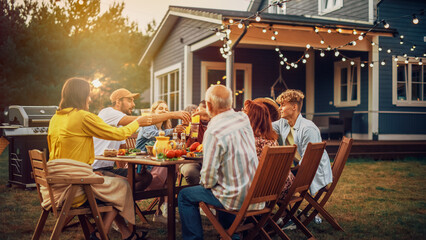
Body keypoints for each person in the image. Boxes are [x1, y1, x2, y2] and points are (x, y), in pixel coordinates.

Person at [46, 78, 148, 240]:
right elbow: (118, 134)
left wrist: (89, 174)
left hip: (55, 185)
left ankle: (127, 234)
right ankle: (100, 235)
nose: (90, 99)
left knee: (114, 187)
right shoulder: (83, 117)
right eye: (88, 95)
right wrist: (138, 122)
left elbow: (58, 155)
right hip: (73, 189)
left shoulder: (55, 119)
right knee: (122, 187)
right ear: (81, 96)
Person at [178, 85, 263, 240]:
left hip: (235, 198)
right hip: (255, 193)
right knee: (224, 184)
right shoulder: (244, 119)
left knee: (185, 195)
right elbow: (228, 115)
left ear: (208, 105)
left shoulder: (213, 131)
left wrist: (207, 183)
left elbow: (208, 179)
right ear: (230, 103)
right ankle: (231, 234)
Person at [92, 88, 190, 191]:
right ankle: (121, 200)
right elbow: (144, 121)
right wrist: (173, 114)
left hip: (108, 169)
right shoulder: (108, 113)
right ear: (118, 102)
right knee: (126, 183)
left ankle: (127, 200)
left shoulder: (120, 125)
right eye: (129, 100)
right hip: (95, 169)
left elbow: (122, 151)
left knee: (145, 177)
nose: (133, 105)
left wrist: (128, 169)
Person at [272, 89, 332, 196]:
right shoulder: (283, 123)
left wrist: (289, 172)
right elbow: (266, 126)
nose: (279, 108)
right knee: (271, 179)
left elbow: (309, 162)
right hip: (300, 168)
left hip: (312, 172)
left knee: (273, 182)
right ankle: (286, 211)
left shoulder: (308, 129)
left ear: (294, 107)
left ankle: (284, 211)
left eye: (283, 105)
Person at [135, 100, 186, 223]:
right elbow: (154, 135)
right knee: (170, 167)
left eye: (166, 109)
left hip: (157, 165)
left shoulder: (163, 128)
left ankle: (161, 211)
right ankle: (165, 209)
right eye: (160, 108)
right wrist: (173, 131)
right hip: (142, 168)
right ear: (153, 112)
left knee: (171, 166)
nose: (164, 111)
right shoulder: (147, 125)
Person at [243, 100, 295, 198]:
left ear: (251, 118)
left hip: (266, 191)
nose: (242, 115)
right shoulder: (271, 139)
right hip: (284, 186)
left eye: (245, 112)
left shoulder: (252, 141)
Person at [179, 100, 210, 185]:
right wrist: (189, 128)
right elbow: (181, 140)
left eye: (205, 113)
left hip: (210, 160)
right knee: (191, 172)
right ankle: (197, 195)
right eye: (200, 111)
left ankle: (208, 194)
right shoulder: (190, 122)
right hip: (190, 161)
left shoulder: (215, 124)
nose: (203, 115)